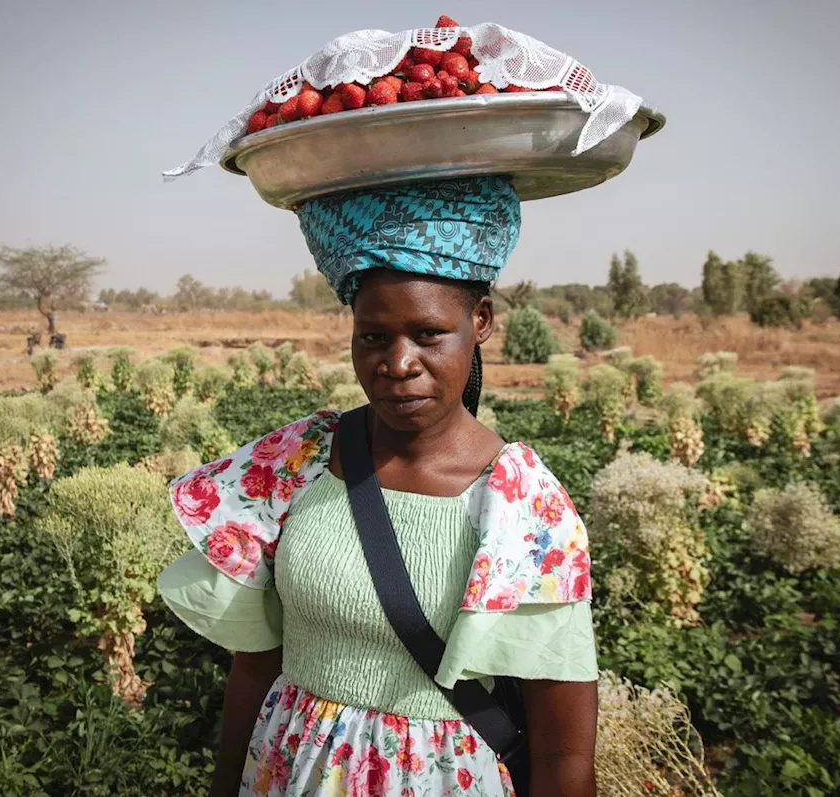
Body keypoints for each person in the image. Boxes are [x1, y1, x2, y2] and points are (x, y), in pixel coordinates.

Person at [158, 176, 598, 796]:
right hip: (288, 774)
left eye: (427, 334)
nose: (397, 363)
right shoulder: (300, 459)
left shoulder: (521, 504)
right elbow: (255, 666)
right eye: (373, 337)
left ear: (481, 322)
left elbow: (563, 748)